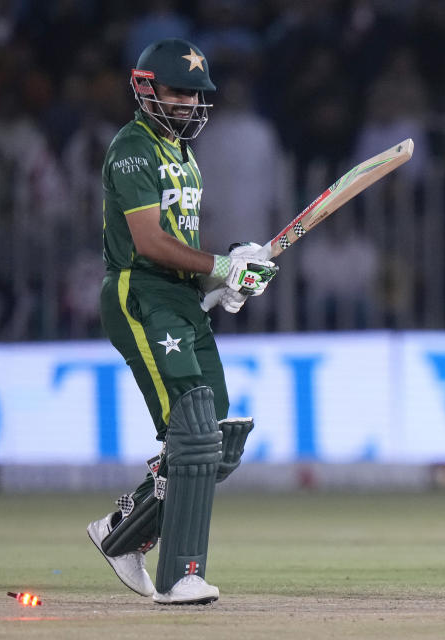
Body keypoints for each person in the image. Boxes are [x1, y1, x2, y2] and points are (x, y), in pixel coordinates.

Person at [85, 37, 278, 605]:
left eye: (196, 95)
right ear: (145, 90)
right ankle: (180, 575)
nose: (189, 103)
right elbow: (148, 243)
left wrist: (227, 280)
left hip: (181, 301)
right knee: (192, 432)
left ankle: (122, 529)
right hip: (138, 295)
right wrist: (220, 266)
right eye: (177, 92)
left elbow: (183, 247)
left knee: (217, 440)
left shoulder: (185, 157)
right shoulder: (132, 150)